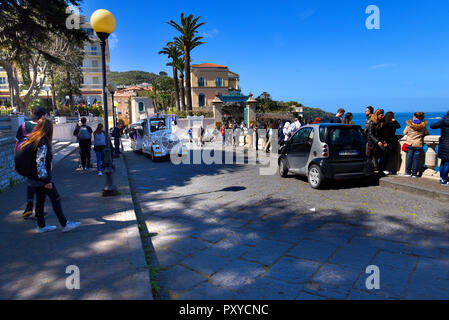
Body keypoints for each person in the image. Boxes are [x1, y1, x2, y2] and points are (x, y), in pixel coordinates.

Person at [18, 119, 81, 233]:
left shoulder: (33, 139)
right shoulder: (42, 141)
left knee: (40, 200)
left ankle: (41, 226)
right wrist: (47, 180)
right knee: (55, 199)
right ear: (48, 129)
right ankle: (64, 224)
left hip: (33, 177)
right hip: (42, 179)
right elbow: (40, 162)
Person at [15, 107, 47, 219]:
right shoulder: (42, 126)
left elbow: (17, 143)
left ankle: (29, 204)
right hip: (37, 159)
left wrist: (17, 161)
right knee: (40, 184)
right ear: (42, 116)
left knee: (30, 181)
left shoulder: (23, 125)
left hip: (24, 158)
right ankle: (39, 211)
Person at [403, 112, 429, 178]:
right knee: (416, 159)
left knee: (409, 158)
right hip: (418, 144)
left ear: (414, 116)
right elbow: (427, 133)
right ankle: (414, 174)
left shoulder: (410, 124)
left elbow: (404, 132)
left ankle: (408, 172)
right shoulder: (423, 125)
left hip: (410, 143)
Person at [430, 111, 449, 185]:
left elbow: (432, 126)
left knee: (443, 161)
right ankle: (444, 179)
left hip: (443, 144)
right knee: (448, 163)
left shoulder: (443, 120)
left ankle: (442, 177)